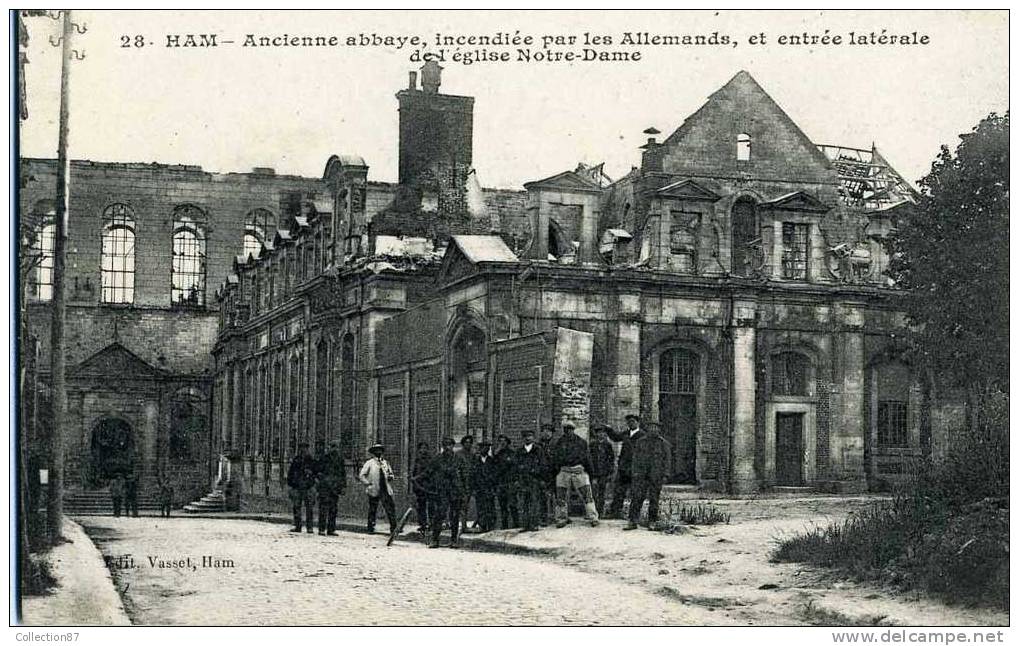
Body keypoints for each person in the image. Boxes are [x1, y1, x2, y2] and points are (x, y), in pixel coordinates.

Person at [625, 422, 673, 531]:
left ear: (659, 430)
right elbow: (635, 459)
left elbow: (667, 461)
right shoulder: (640, 442)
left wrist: (665, 475)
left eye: (655, 428)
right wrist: (635, 473)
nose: (653, 430)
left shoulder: (663, 444)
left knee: (654, 499)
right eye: (651, 427)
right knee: (637, 497)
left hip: (656, 476)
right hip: (641, 475)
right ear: (647, 429)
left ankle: (652, 521)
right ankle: (632, 521)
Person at [550, 423, 599, 527]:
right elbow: (556, 459)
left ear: (573, 430)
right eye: (566, 430)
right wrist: (555, 473)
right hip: (564, 471)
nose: (568, 432)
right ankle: (561, 518)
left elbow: (587, 459)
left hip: (579, 470)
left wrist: (592, 474)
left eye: (570, 429)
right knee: (561, 496)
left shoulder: (581, 442)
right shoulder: (559, 443)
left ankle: (593, 517)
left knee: (587, 495)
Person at [426, 437, 468, 548]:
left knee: (454, 516)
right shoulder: (438, 459)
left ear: (453, 446)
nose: (447, 447)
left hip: (455, 491)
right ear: (443, 446)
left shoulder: (458, 459)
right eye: (445, 445)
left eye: (450, 445)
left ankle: (454, 540)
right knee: (439, 515)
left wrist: (464, 491)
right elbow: (429, 472)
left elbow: (464, 476)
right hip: (442, 491)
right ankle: (435, 540)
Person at [606, 414, 645, 519]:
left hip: (635, 468)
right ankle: (615, 512)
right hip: (624, 468)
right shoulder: (626, 434)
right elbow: (615, 437)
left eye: (633, 421)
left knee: (635, 492)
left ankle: (633, 516)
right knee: (619, 491)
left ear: (638, 423)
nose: (630, 424)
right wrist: (608, 429)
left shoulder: (642, 435)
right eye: (629, 422)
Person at [358, 443, 397, 535]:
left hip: (385, 489)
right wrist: (368, 483)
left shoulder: (385, 463)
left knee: (390, 508)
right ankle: (370, 527)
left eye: (380, 450)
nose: (378, 452)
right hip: (374, 488)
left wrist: (391, 477)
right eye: (376, 450)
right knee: (372, 509)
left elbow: (390, 473)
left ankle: (394, 527)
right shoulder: (370, 463)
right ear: (373, 452)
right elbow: (362, 475)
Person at [515, 428, 548, 532]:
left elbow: (543, 465)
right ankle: (525, 525)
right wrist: (517, 479)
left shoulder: (538, 450)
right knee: (524, 502)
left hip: (534, 480)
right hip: (523, 480)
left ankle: (534, 524)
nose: (528, 438)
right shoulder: (519, 451)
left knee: (534, 502)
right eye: (526, 436)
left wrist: (542, 478)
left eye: (530, 436)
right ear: (523, 438)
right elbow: (515, 466)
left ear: (533, 438)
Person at [287, 442, 318, 533]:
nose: (303, 450)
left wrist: (311, 479)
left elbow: (315, 472)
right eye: (301, 448)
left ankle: (309, 527)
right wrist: (291, 484)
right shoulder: (296, 460)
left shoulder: (311, 460)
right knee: (296, 507)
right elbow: (291, 473)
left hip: (308, 487)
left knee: (309, 508)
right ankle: (298, 526)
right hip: (297, 486)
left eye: (305, 448)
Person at [316, 442, 346, 536]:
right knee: (323, 509)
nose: (334, 449)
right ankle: (321, 529)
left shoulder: (340, 460)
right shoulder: (324, 458)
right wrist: (322, 481)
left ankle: (331, 529)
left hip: (335, 487)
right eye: (332, 447)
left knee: (333, 509)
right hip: (325, 487)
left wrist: (343, 486)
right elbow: (318, 471)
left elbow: (342, 474)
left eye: (336, 447)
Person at [471, 440, 499, 532]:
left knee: (490, 507)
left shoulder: (492, 461)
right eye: (483, 447)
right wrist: (474, 488)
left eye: (487, 448)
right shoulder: (475, 461)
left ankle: (490, 526)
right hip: (479, 489)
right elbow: (473, 475)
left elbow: (495, 475)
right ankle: (482, 525)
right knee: (481, 507)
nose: (485, 449)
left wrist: (493, 487)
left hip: (489, 488)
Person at [492, 434, 519, 529]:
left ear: (507, 443)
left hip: (510, 482)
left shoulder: (512, 453)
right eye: (500, 441)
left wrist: (515, 480)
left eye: (504, 441)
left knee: (512, 504)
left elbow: (515, 468)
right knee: (502, 506)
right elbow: (494, 468)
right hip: (501, 483)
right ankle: (504, 526)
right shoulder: (496, 455)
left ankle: (516, 525)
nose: (502, 443)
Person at [588, 425, 616, 517]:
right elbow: (589, 458)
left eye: (603, 433)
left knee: (602, 492)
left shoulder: (608, 445)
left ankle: (600, 512)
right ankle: (592, 512)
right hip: (594, 472)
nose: (601, 434)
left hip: (604, 472)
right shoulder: (592, 445)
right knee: (593, 492)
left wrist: (610, 472)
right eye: (599, 433)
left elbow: (611, 459)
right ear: (596, 434)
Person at [410, 441, 433, 533]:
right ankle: (422, 524)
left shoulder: (430, 460)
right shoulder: (417, 460)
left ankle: (431, 524)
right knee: (421, 506)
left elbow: (427, 472)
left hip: (428, 486)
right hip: (418, 487)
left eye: (425, 448)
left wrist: (416, 478)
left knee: (430, 506)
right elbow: (414, 471)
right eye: (421, 448)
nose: (423, 450)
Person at [537, 423, 557, 526]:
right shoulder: (537, 446)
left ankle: (557, 517)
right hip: (542, 475)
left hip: (554, 474)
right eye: (545, 431)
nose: (547, 434)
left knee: (557, 496)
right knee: (542, 497)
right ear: (541, 433)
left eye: (549, 432)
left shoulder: (555, 446)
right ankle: (543, 518)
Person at [457, 435, 476, 532]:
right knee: (462, 505)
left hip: (470, 483)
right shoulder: (458, 455)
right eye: (466, 442)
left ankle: (465, 525)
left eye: (470, 442)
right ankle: (462, 526)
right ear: (463, 443)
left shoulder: (472, 455)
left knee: (466, 504)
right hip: (461, 483)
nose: (468, 444)